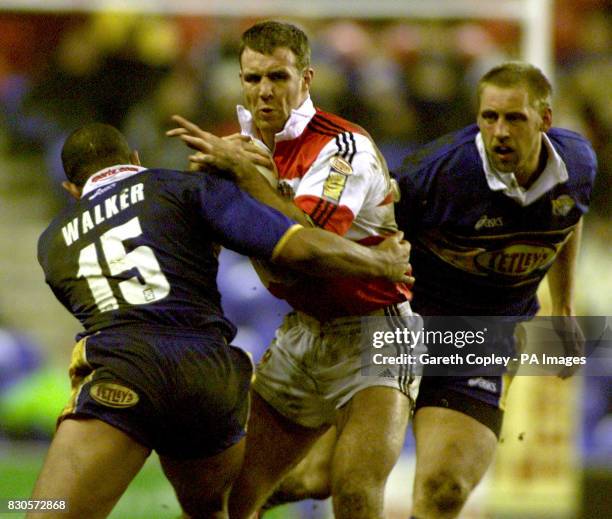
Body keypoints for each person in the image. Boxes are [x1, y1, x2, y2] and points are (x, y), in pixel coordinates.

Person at [243, 61, 598, 519]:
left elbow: (568, 220)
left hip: (478, 341)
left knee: (445, 488)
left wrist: (564, 307)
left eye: (515, 118)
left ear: (545, 121)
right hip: (398, 329)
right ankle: (227, 507)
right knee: (319, 480)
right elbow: (365, 236)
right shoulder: (436, 175)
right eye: (489, 118)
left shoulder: (579, 165)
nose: (500, 132)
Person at [29, 123, 413, 519]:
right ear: (135, 160)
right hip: (209, 376)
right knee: (217, 512)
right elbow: (297, 246)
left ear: (71, 190)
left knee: (44, 510)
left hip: (127, 371)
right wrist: (381, 261)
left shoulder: (52, 242)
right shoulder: (182, 187)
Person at [168, 20, 420, 519]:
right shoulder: (242, 148)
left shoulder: (341, 148)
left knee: (354, 491)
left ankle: (319, 475)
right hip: (303, 332)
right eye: (253, 78)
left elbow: (311, 242)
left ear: (306, 79)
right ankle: (308, 478)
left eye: (278, 78)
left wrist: (244, 178)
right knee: (231, 496)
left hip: (376, 329)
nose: (264, 91)